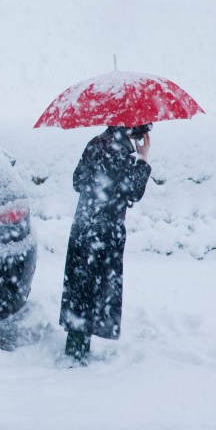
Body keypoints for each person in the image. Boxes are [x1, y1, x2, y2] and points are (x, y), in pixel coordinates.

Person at [59, 123, 152, 365]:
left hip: (83, 226)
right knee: (96, 289)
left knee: (80, 287)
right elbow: (133, 192)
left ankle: (76, 345)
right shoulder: (121, 151)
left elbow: (77, 181)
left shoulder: (96, 142)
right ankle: (77, 353)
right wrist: (142, 159)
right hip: (106, 232)